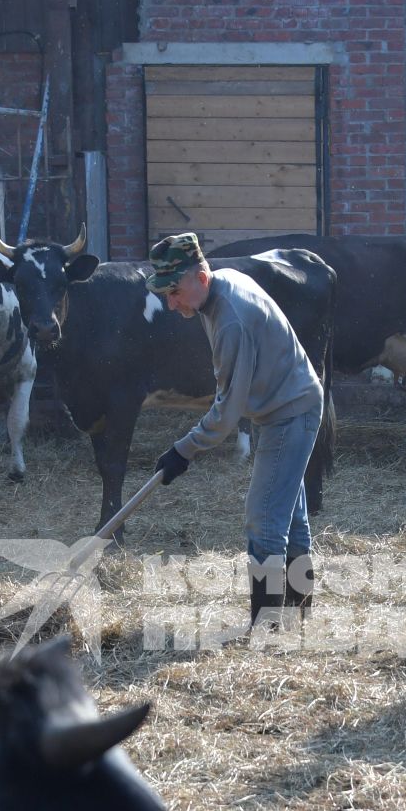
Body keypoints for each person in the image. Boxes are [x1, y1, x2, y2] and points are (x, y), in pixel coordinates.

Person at [147, 232, 324, 631]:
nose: (170, 303)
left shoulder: (230, 321)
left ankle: (268, 630)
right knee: (288, 518)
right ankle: (300, 616)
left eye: (174, 291)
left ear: (200, 278)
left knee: (263, 521)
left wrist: (182, 451)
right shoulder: (222, 285)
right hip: (287, 404)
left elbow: (227, 416)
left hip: (289, 413)